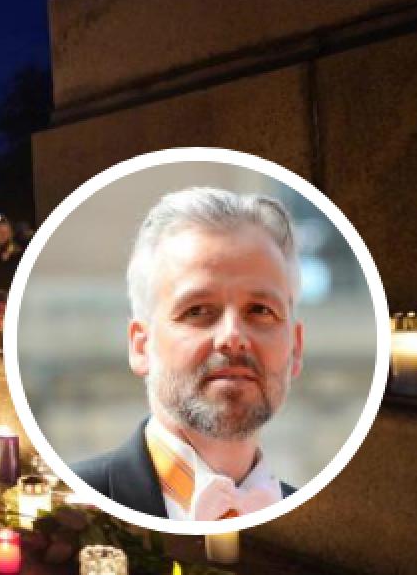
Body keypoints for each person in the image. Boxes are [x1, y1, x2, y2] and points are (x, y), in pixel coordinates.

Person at [71, 188, 303, 520]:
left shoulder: (320, 520)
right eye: (197, 311)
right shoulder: (73, 500)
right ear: (141, 346)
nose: (232, 338)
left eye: (260, 310)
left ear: (295, 348)